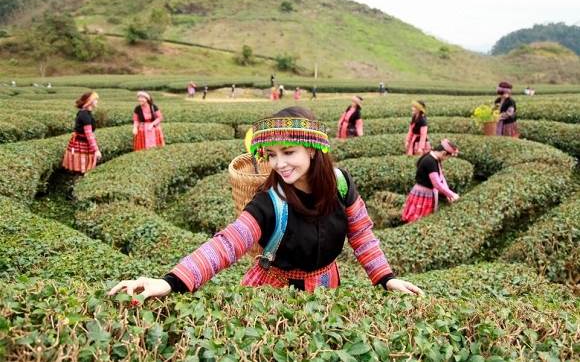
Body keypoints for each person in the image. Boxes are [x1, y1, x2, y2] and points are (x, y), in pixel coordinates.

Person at [108, 106, 423, 300]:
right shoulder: (270, 202)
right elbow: (228, 243)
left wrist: (386, 277)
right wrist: (170, 282)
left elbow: (361, 234)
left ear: (312, 150)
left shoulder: (340, 183)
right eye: (271, 155)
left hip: (327, 284)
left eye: (288, 153)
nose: (280, 164)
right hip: (275, 292)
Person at [401, 139, 460, 223]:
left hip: (425, 191)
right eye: (448, 156)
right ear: (443, 153)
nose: (447, 159)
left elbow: (441, 177)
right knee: (419, 220)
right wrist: (452, 195)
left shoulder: (433, 157)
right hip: (424, 193)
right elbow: (437, 184)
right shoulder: (430, 161)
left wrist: (448, 193)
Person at [62, 92, 102, 174]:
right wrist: (96, 150)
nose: (97, 101)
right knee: (82, 169)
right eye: (95, 99)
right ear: (90, 101)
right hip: (82, 143)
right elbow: (89, 135)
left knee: (82, 169)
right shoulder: (85, 115)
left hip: (82, 142)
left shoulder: (85, 112)